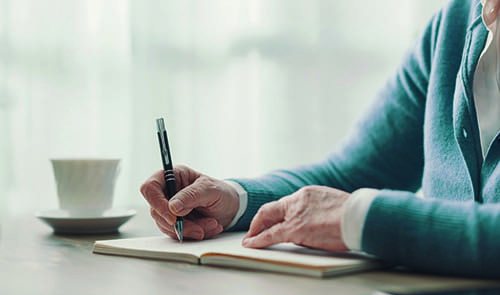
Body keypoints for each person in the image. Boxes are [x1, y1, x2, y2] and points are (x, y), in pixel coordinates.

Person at [141, 0, 500, 278]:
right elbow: (355, 173)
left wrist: (360, 219)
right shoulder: (453, 24)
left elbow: (349, 204)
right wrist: (233, 199)